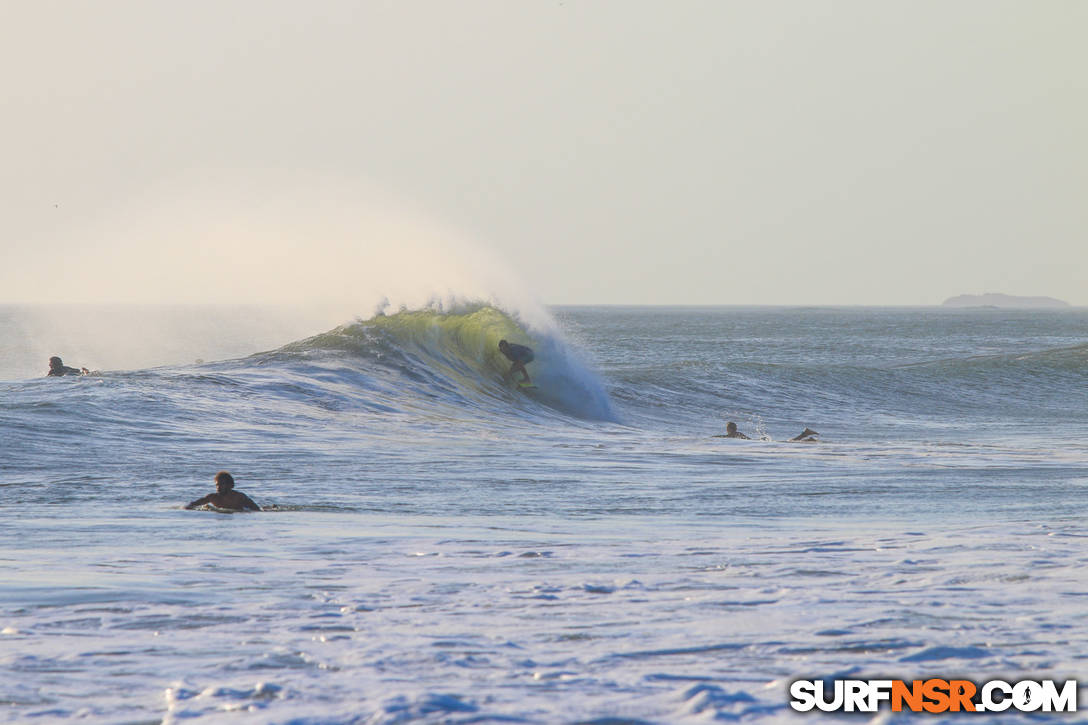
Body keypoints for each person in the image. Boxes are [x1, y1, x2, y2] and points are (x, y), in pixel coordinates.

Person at [185, 471, 260, 511]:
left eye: (221, 484)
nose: (218, 487)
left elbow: (256, 509)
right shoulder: (212, 497)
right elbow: (193, 504)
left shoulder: (239, 497)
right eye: (217, 485)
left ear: (230, 485)